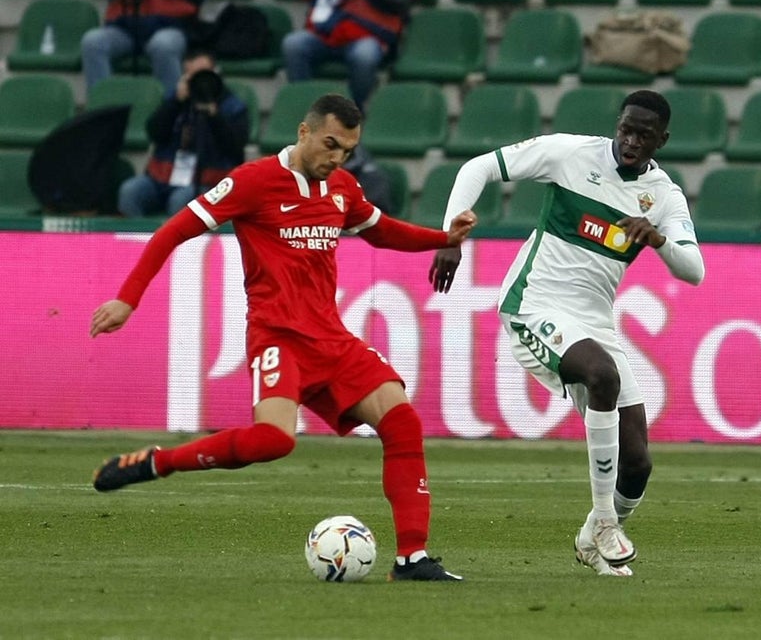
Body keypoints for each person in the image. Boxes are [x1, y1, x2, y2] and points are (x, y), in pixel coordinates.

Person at [90, 94, 477, 582]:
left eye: (348, 150)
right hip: (278, 337)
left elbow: (381, 231)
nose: (337, 158)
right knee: (273, 440)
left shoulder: (341, 187)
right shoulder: (253, 182)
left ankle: (412, 558)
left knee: (402, 422)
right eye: (331, 145)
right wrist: (129, 298)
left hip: (332, 340)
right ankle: (158, 463)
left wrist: (445, 238)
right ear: (304, 132)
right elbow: (172, 232)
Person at [428, 90, 705, 577]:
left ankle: (591, 542)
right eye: (626, 128)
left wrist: (657, 238)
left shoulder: (663, 196)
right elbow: (478, 167)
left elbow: (694, 271)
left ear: (662, 140)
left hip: (595, 321)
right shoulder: (570, 154)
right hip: (533, 306)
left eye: (644, 135)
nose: (631, 141)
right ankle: (602, 523)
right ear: (617, 123)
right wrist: (453, 234)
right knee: (602, 376)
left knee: (637, 464)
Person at [117, 50, 249, 217]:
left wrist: (214, 116)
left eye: (204, 75)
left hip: (206, 182)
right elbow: (154, 132)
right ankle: (137, 243)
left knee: (180, 200)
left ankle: (176, 243)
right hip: (163, 178)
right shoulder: (176, 99)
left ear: (216, 73)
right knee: (130, 192)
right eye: (192, 76)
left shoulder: (233, 106)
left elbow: (235, 149)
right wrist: (175, 103)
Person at [282, 0, 419, 111]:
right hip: (325, 34)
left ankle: (352, 111)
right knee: (293, 44)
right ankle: (307, 109)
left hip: (366, 36)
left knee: (364, 55)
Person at [80, 0, 208, 94]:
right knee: (92, 42)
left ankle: (171, 109)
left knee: (163, 45)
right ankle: (102, 109)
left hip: (173, 25)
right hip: (125, 26)